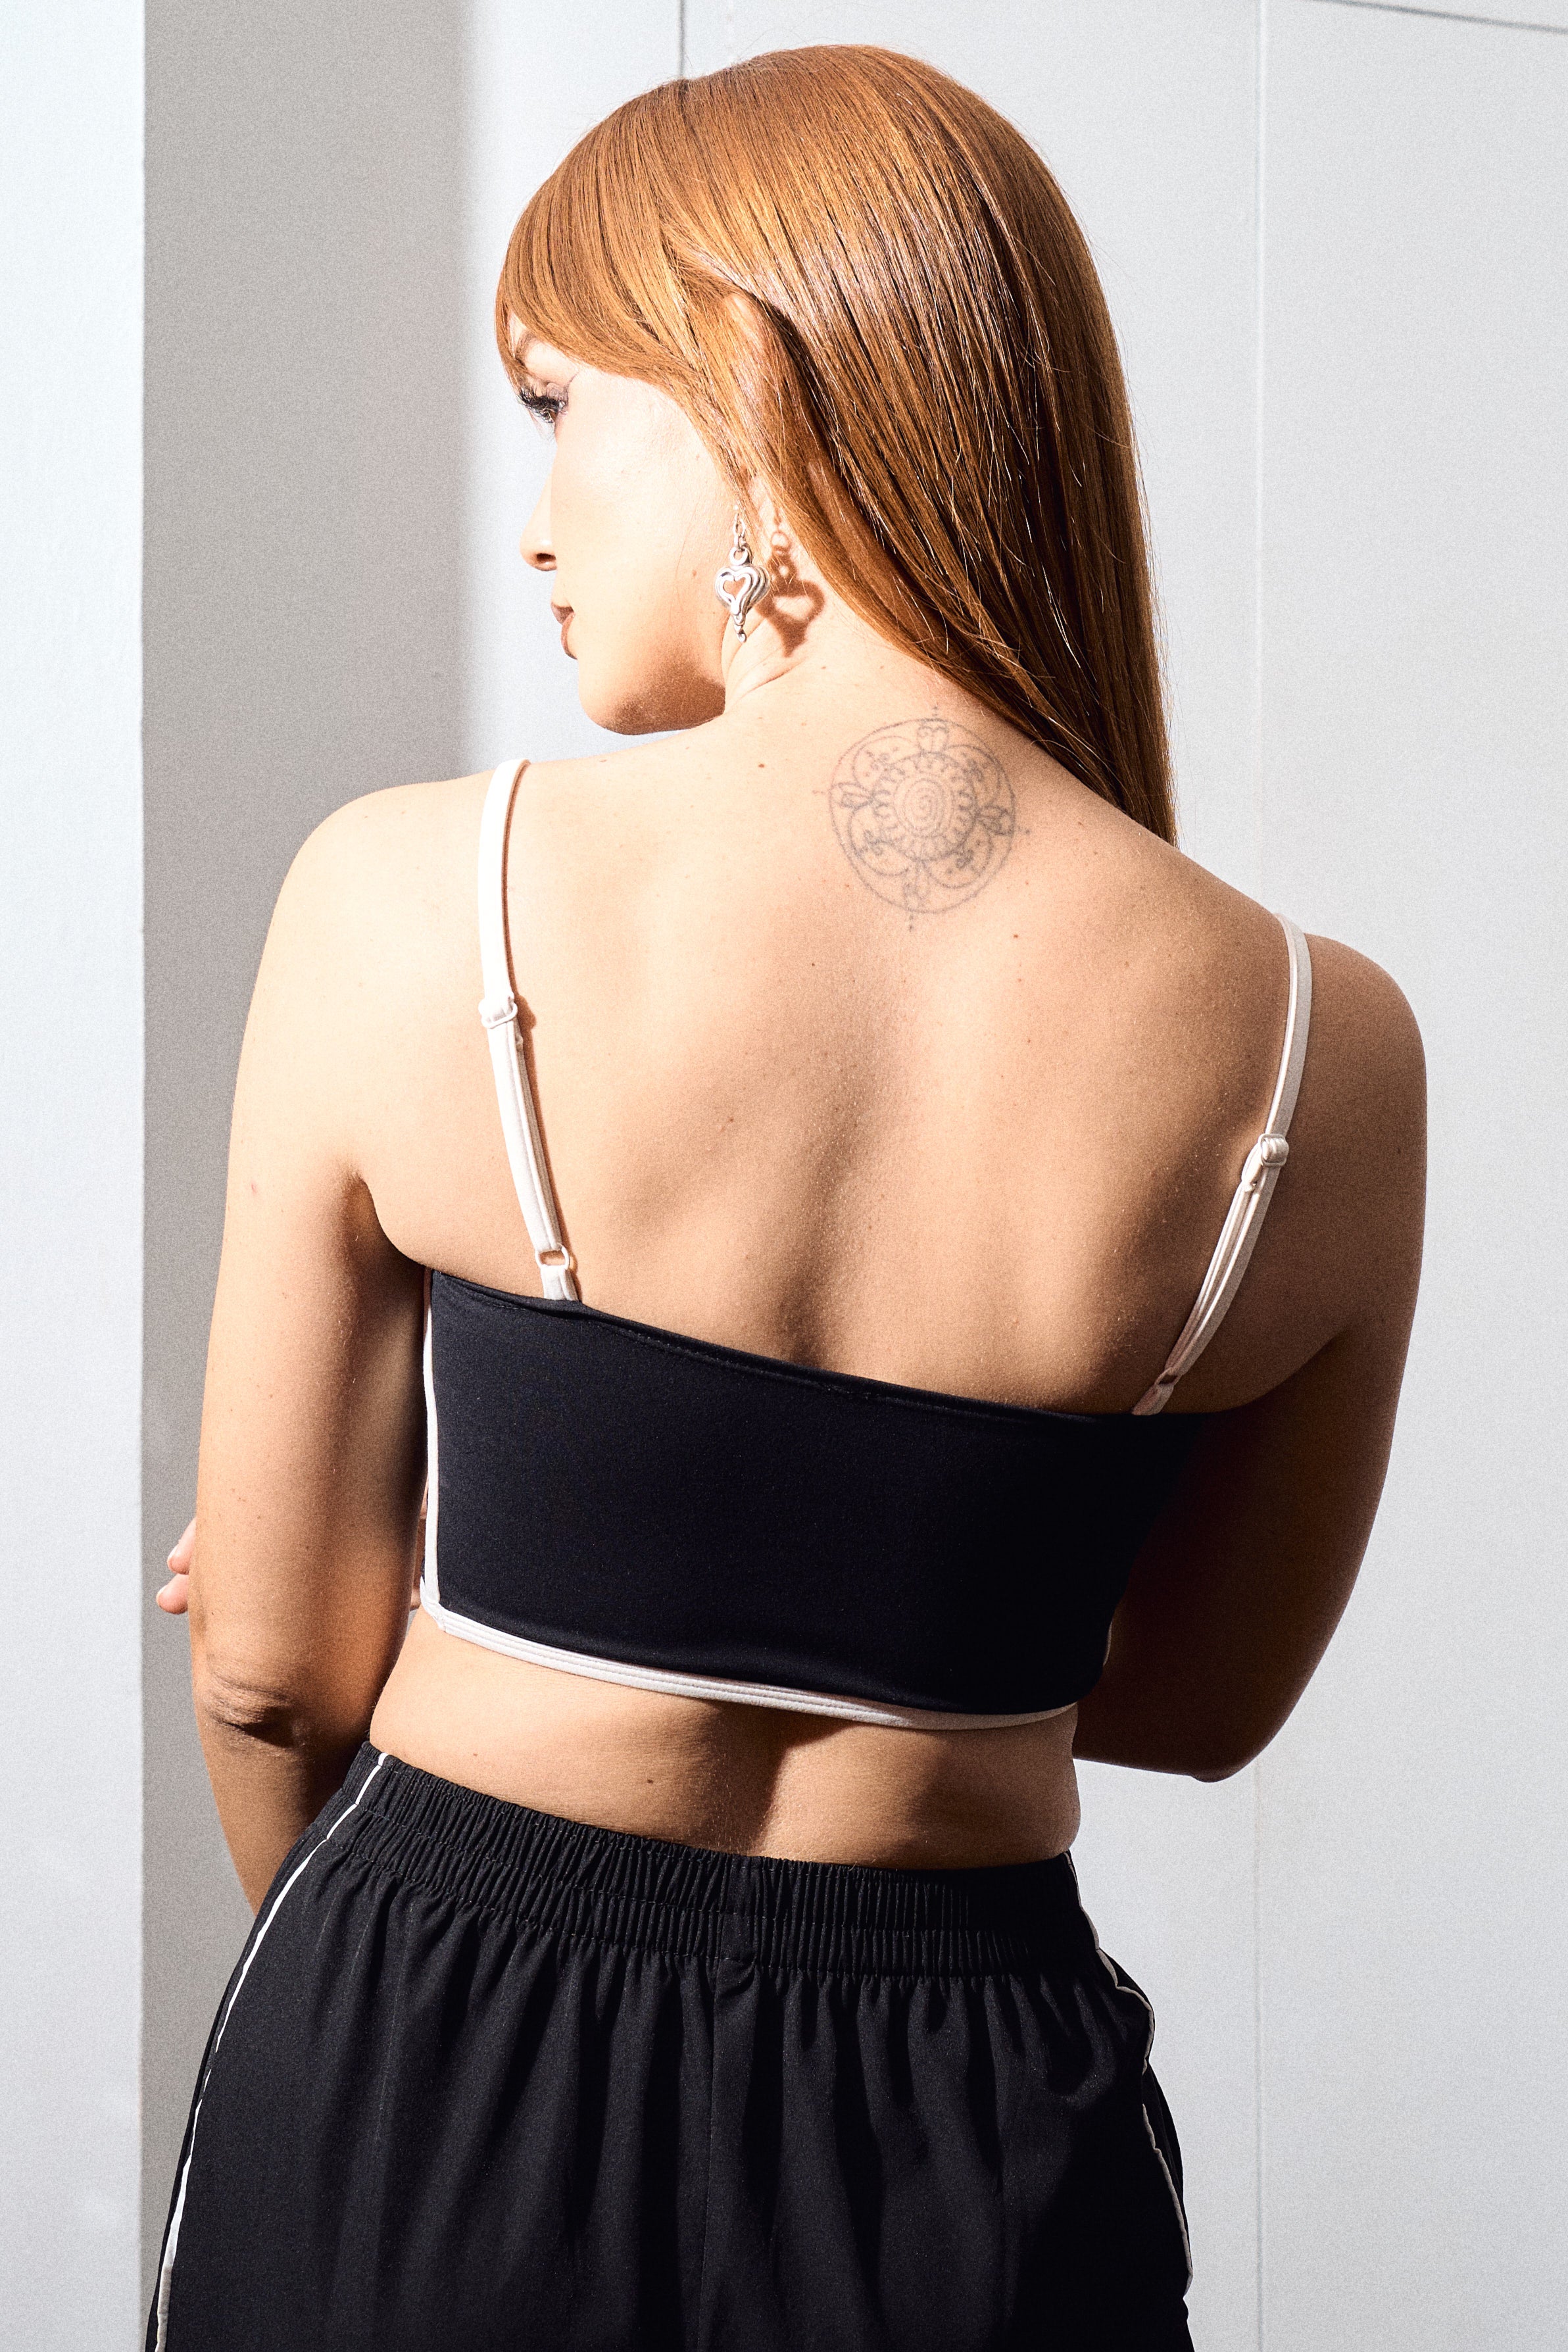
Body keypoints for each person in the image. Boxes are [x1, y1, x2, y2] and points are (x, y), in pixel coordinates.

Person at [146, 43, 1425, 2352]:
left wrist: (385, 1915)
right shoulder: (1321, 1052)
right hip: (975, 2116)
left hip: (435, 2052)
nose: (537, 524)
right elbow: (1194, 1696)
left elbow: (266, 1665)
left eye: (562, 406)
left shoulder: (416, 898)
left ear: (750, 386)